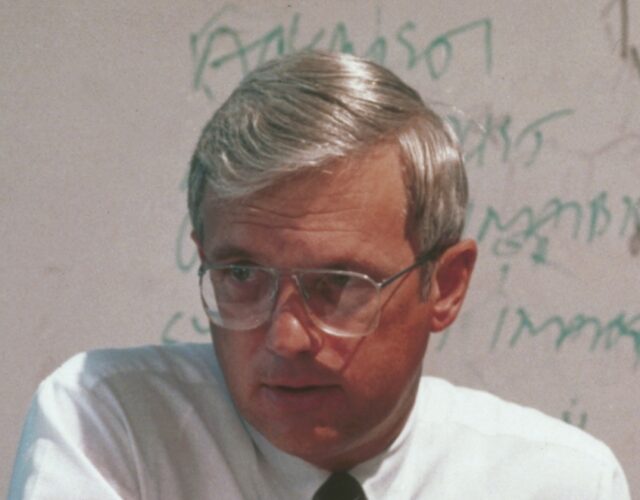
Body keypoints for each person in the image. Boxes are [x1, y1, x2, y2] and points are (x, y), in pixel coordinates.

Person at [9, 51, 630, 499]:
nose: (284, 338)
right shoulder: (108, 424)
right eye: (242, 273)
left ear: (445, 285)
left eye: (338, 284)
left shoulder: (559, 481)